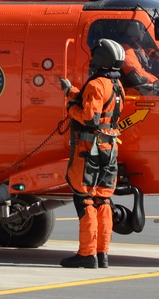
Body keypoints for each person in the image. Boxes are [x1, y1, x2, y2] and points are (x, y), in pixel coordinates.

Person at [59, 38, 126, 269]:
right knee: (103, 199)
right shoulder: (117, 86)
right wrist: (73, 92)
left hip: (90, 151)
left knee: (85, 199)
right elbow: (100, 107)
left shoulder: (97, 84)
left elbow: (90, 117)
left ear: (100, 58)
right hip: (110, 149)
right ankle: (102, 253)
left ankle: (87, 254)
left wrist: (70, 108)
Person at [117, 21, 159, 94]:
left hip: (142, 87)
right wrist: (158, 83)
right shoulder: (125, 50)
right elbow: (138, 74)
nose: (144, 32)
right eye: (142, 29)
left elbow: (144, 57)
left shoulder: (134, 45)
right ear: (133, 30)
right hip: (134, 92)